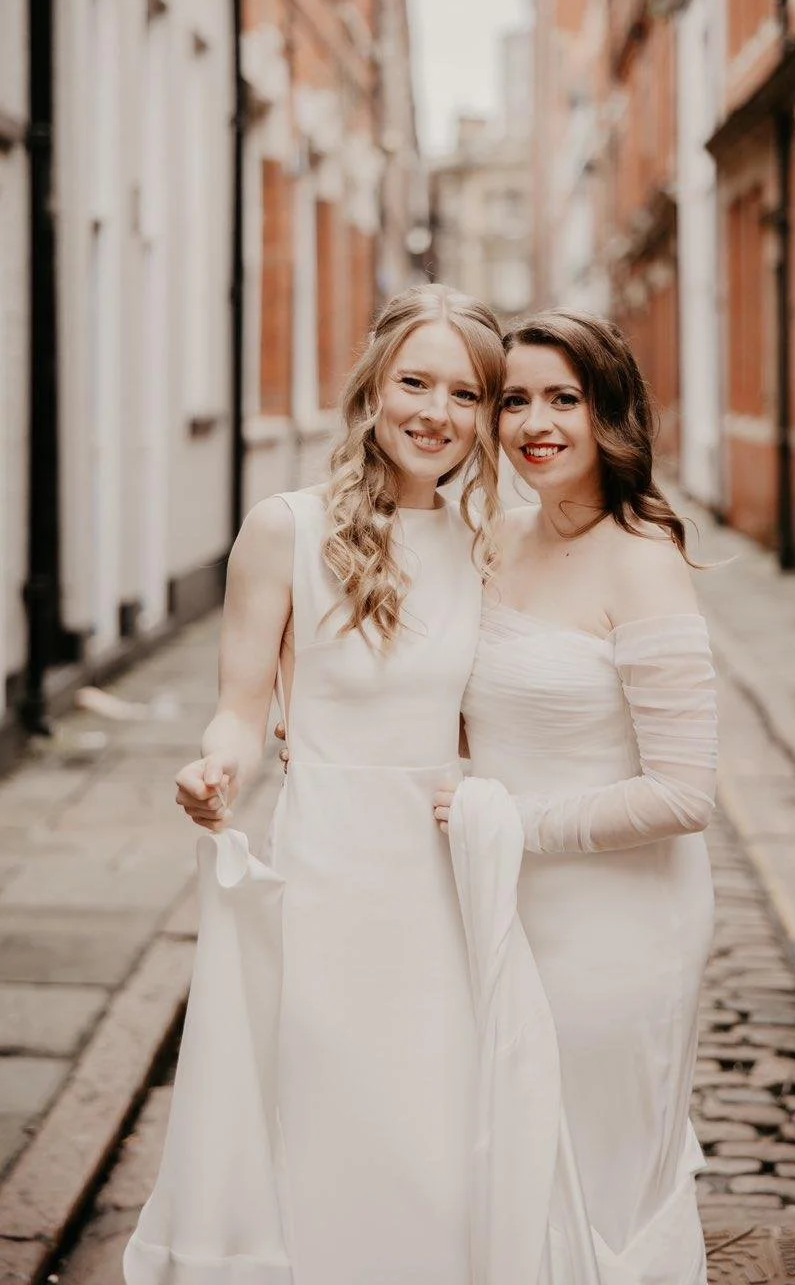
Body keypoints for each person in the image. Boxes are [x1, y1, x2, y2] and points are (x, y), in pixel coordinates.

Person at [124, 283, 505, 1285]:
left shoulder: (493, 542)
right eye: (414, 381)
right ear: (372, 388)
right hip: (333, 858)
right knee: (336, 1109)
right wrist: (219, 771)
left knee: (440, 1116)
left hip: (451, 862)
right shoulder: (284, 529)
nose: (435, 411)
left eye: (464, 393)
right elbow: (243, 708)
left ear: (486, 414)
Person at [435, 309, 717, 1283]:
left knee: (593, 1160)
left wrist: (513, 821)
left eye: (565, 398)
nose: (535, 422)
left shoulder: (643, 560)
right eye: (515, 399)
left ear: (611, 414)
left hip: (618, 924)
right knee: (505, 1152)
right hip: (497, 906)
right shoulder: (491, 540)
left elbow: (685, 791)